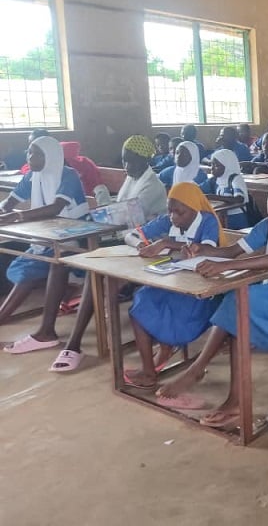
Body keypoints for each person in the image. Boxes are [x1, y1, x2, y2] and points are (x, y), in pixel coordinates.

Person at [155, 179, 268, 425]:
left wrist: (225, 266)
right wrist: (200, 250)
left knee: (238, 303)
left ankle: (200, 372)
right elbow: (232, 252)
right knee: (238, 313)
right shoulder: (267, 224)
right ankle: (232, 398)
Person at [48, 135, 169, 372]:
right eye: (124, 160)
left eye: (131, 160)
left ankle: (75, 342)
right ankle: (73, 339)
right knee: (91, 270)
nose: (126, 166)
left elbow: (125, 215)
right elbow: (120, 212)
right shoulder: (133, 179)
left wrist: (101, 194)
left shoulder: (152, 184)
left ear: (144, 159)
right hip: (129, 240)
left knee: (98, 275)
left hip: (150, 246)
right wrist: (106, 205)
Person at [121, 182, 225, 390]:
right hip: (173, 282)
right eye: (170, 211)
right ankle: (149, 368)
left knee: (158, 308)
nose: (173, 217)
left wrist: (166, 243)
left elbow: (205, 250)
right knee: (141, 302)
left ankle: (164, 352)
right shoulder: (170, 221)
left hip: (199, 292)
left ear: (194, 209)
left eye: (179, 212)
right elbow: (131, 234)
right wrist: (140, 244)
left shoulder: (207, 222)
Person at [0, 136, 89, 347]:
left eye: (35, 153)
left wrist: (17, 216)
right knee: (21, 269)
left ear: (50, 156)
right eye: (29, 152)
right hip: (47, 237)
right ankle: (67, 289)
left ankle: (33, 326)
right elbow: (11, 202)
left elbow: (55, 208)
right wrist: (4, 210)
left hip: (75, 239)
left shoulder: (67, 175)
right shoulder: (32, 176)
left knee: (29, 274)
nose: (29, 157)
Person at [202, 149, 249, 230]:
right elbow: (199, 189)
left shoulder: (235, 178)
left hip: (236, 218)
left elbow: (240, 199)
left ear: (227, 165)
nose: (212, 168)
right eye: (211, 165)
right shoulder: (215, 179)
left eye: (216, 165)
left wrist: (213, 197)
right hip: (221, 216)